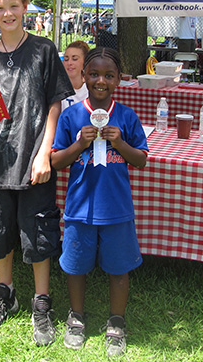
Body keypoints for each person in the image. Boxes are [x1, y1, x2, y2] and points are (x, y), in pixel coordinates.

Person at [0, 0, 73, 346]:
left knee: (38, 231)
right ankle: (6, 293)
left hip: (34, 159)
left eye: (14, 5)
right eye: (0, 7)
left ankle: (41, 301)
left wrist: (45, 151)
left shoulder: (44, 50)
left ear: (25, 7)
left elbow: (54, 103)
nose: (8, 13)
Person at [51, 47, 148, 355]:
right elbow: (56, 161)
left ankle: (116, 322)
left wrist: (120, 142)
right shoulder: (71, 115)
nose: (101, 81)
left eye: (108, 75)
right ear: (83, 76)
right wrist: (80, 143)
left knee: (119, 268)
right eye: (94, 74)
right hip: (80, 207)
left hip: (117, 208)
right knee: (76, 265)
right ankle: (77, 316)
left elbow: (141, 160)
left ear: (119, 79)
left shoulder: (127, 116)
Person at [61, 40, 90, 111]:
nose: (69, 63)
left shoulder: (91, 89)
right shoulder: (58, 88)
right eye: (66, 59)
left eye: (74, 59)